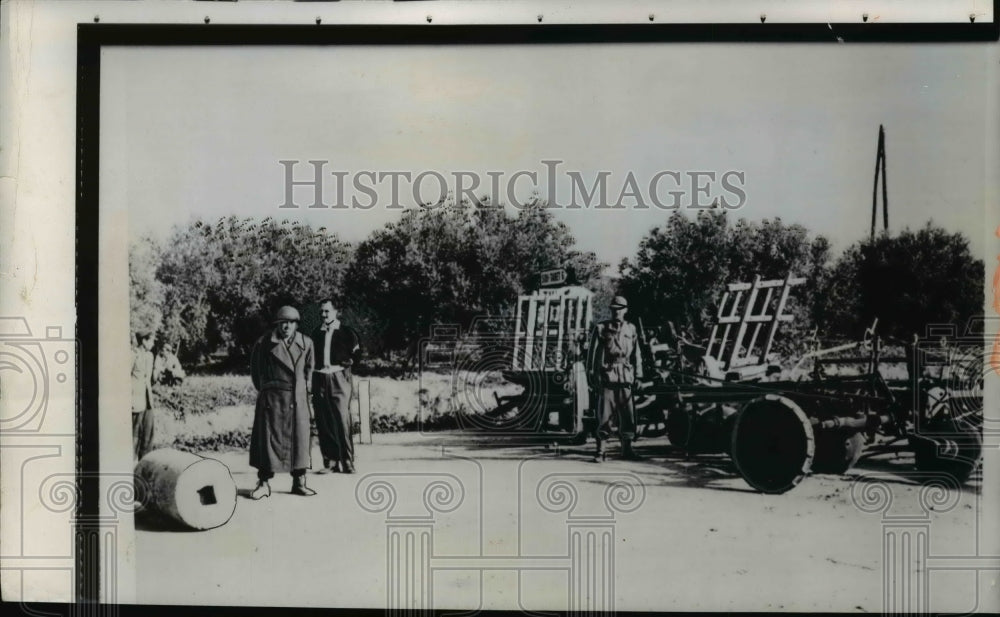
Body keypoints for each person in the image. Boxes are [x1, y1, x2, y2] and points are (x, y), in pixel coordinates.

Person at [249, 305, 317, 498]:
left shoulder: (307, 343)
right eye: (282, 323)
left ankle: (299, 482)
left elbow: (309, 371)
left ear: (296, 324)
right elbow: (256, 372)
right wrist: (267, 392)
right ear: (277, 324)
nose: (286, 326)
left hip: (297, 400)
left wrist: (303, 392)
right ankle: (263, 483)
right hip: (273, 402)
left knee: (300, 442)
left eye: (290, 323)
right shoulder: (264, 343)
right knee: (267, 442)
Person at [589, 296, 644, 462]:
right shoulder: (601, 328)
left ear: (625, 310)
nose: (617, 312)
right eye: (614, 309)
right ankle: (601, 451)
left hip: (626, 376)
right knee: (604, 415)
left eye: (620, 309)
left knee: (628, 416)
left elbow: (637, 354)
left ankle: (627, 450)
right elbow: (592, 356)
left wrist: (639, 375)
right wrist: (593, 376)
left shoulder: (631, 329)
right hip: (608, 377)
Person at [310, 299, 361, 474]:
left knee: (342, 419)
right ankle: (331, 461)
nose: (324, 315)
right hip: (319, 378)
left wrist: (348, 364)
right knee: (323, 420)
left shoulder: (347, 332)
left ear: (336, 312)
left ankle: (347, 460)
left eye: (327, 311)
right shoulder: (316, 333)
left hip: (339, 378)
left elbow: (358, 354)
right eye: (321, 312)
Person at [130, 331, 156, 462]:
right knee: (134, 435)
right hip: (135, 401)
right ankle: (132, 464)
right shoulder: (133, 355)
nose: (153, 343)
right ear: (144, 341)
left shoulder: (150, 356)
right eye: (151, 340)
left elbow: (149, 379)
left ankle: (144, 463)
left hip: (147, 401)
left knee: (148, 434)